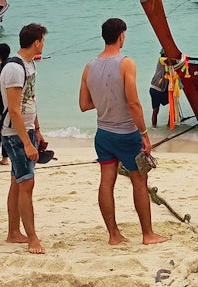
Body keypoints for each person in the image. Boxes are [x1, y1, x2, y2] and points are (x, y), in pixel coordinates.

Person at [78, 17, 167, 245]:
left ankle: (113, 235)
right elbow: (134, 103)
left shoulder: (89, 66)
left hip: (103, 134)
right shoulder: (126, 63)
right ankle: (148, 234)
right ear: (121, 36)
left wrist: (107, 100)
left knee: (106, 182)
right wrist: (145, 134)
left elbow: (84, 104)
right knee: (140, 180)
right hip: (127, 134)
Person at [1, 24, 48, 253]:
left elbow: (31, 99)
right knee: (27, 183)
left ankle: (13, 232)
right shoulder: (14, 68)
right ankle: (32, 238)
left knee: (18, 182)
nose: (44, 44)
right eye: (43, 40)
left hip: (27, 130)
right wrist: (27, 142)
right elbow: (14, 109)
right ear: (37, 42)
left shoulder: (30, 65)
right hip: (14, 133)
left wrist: (37, 130)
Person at [147, 50, 168, 128]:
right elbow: (171, 61)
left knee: (155, 111)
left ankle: (154, 127)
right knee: (173, 105)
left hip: (155, 89)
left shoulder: (166, 63)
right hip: (157, 90)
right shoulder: (162, 60)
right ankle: (170, 126)